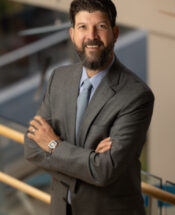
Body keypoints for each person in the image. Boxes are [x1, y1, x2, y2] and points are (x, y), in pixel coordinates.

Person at [24, 0, 154, 215]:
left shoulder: (136, 95)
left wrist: (55, 145)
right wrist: (89, 159)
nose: (91, 36)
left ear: (115, 33)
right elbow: (32, 148)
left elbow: (104, 171)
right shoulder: (59, 78)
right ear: (72, 33)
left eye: (100, 27)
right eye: (83, 27)